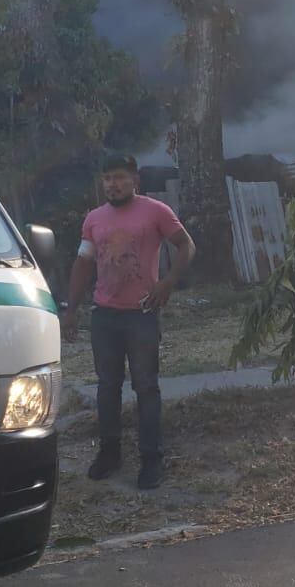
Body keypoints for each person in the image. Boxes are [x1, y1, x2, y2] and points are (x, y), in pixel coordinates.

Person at [62, 154, 196, 489]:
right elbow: (83, 262)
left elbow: (186, 245)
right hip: (104, 315)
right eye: (107, 178)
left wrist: (168, 282)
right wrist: (71, 308)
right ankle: (110, 454)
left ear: (134, 179)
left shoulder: (155, 211)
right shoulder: (94, 219)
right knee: (107, 389)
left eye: (120, 177)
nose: (113, 184)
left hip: (142, 314)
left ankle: (152, 459)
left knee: (146, 388)